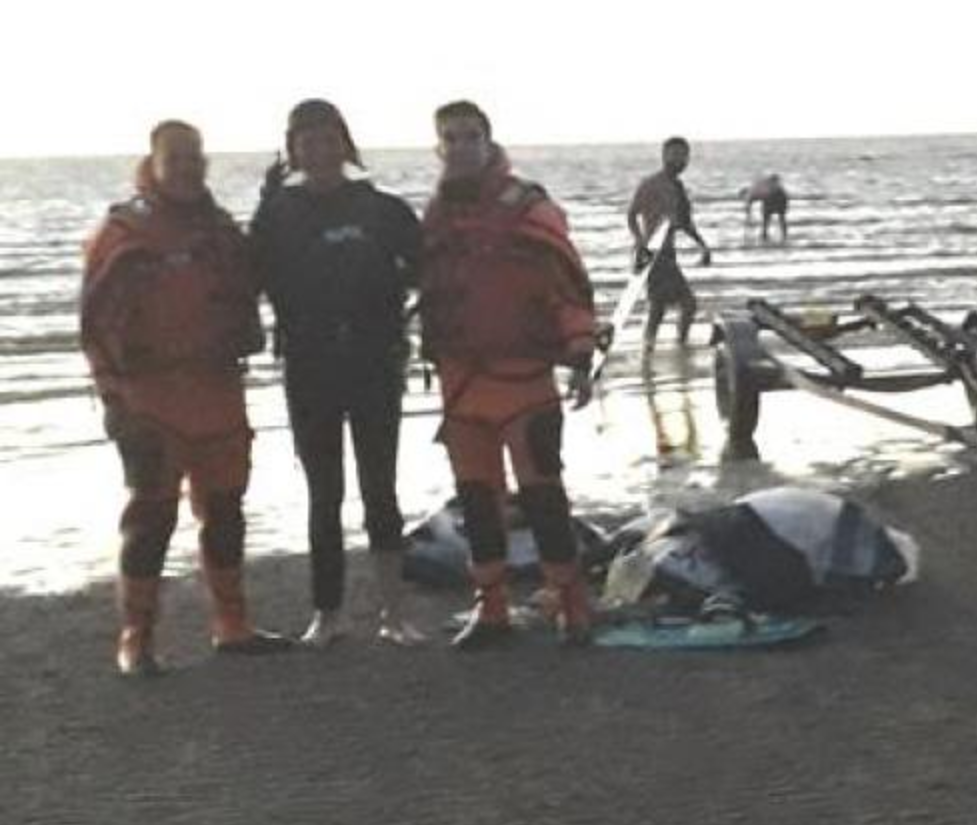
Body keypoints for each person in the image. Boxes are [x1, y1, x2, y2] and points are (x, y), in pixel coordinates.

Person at [79, 120, 292, 675]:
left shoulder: (220, 230)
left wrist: (273, 204)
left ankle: (232, 623)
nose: (188, 167)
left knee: (225, 512)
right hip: (152, 400)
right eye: (176, 158)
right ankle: (138, 638)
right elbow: (96, 324)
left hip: (218, 393)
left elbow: (256, 279)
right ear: (154, 162)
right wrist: (112, 398)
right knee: (150, 520)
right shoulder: (124, 231)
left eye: (195, 156)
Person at [418, 100, 598, 648]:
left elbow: (567, 281)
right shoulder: (437, 215)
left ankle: (570, 602)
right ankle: (490, 605)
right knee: (476, 499)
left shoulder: (530, 208)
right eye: (450, 138)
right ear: (438, 147)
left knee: (543, 495)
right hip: (462, 383)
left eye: (470, 136)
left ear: (489, 141)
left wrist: (581, 348)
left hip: (523, 379)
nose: (460, 146)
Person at [251, 99, 428, 648]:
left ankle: (393, 612)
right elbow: (243, 283)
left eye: (328, 140)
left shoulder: (381, 208)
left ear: (345, 145)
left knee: (381, 487)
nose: (319, 151)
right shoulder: (278, 212)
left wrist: (405, 326)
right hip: (310, 367)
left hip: (374, 365)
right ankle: (327, 614)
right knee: (323, 492)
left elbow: (430, 271)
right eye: (307, 142)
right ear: (293, 149)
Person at [625, 137, 712, 353]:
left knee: (659, 306)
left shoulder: (678, 187)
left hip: (667, 252)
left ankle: (651, 349)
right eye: (674, 155)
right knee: (684, 303)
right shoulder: (651, 183)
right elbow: (631, 215)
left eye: (683, 156)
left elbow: (684, 222)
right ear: (664, 156)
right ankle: (671, 346)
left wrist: (702, 245)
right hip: (652, 253)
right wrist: (639, 241)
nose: (680, 160)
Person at [739, 173, 789, 243]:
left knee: (775, 217)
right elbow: (748, 209)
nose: (744, 200)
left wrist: (749, 219)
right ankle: (768, 234)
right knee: (771, 217)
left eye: (743, 198)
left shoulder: (751, 193)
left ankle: (778, 235)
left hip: (778, 196)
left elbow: (748, 209)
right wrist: (749, 217)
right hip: (774, 196)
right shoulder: (754, 188)